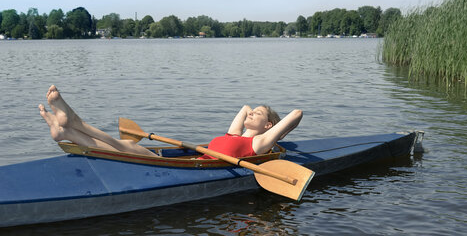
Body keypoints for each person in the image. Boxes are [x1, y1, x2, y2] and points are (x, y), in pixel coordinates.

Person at [39, 85, 303, 158]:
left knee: (123, 147)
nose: (250, 114)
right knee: (118, 146)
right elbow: (244, 107)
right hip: (195, 160)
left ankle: (73, 123)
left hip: (197, 167)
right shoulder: (235, 134)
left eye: (258, 114)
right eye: (251, 112)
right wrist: (253, 111)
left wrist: (274, 130)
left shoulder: (258, 143)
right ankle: (67, 130)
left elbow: (295, 115)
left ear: (269, 126)